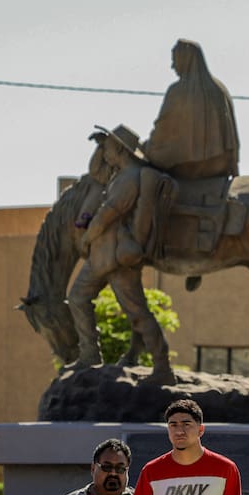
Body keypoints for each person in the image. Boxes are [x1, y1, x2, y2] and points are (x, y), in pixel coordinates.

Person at [65, 124, 172, 382]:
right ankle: (90, 355)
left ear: (121, 150)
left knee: (136, 311)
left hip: (116, 257)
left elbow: (107, 214)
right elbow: (96, 172)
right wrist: (99, 145)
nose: (106, 153)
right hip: (106, 254)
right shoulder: (120, 175)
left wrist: (87, 237)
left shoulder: (129, 179)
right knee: (79, 297)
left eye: (109, 148)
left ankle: (162, 367)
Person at [141, 39, 240, 180]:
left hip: (188, 166)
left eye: (175, 60)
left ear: (185, 60)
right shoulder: (220, 89)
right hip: (221, 164)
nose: (172, 66)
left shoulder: (177, 90)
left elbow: (161, 130)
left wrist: (147, 147)